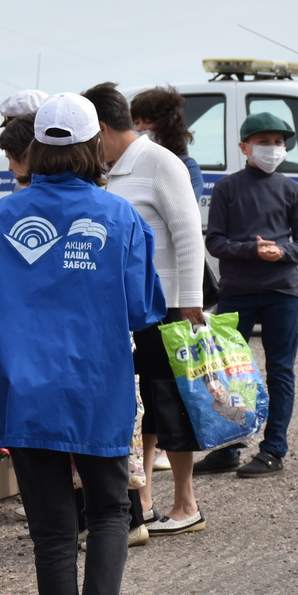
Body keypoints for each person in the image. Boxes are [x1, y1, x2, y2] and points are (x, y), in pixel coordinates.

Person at [0, 92, 165, 595]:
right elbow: (142, 309)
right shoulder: (119, 216)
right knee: (109, 509)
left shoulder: (1, 216)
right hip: (97, 382)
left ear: (36, 149)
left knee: (53, 534)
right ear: (90, 147)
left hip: (24, 391)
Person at [83, 82, 207, 537]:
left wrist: (190, 300)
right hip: (130, 307)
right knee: (143, 406)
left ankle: (186, 503)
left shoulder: (159, 163)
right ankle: (147, 500)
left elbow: (189, 232)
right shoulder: (109, 168)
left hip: (169, 304)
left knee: (170, 405)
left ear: (99, 127)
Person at [194, 111, 298, 478]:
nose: (273, 148)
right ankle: (232, 446)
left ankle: (274, 449)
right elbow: (214, 242)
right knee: (230, 373)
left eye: (279, 142)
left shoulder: (292, 189)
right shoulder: (228, 188)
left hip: (282, 291)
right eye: (264, 141)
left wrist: (282, 252)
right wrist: (252, 249)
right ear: (244, 147)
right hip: (238, 293)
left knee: (280, 370)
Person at [129, 86, 204, 199]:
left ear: (167, 126)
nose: (139, 128)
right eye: (136, 123)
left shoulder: (187, 167)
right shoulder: (129, 164)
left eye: (147, 122)